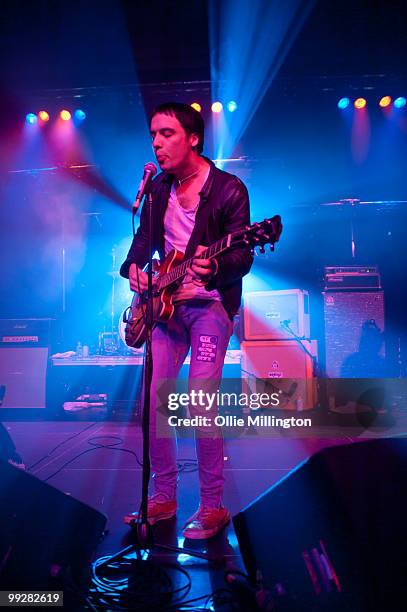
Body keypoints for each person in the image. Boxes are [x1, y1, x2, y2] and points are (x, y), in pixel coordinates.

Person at [120, 102, 253, 539]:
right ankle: (163, 497)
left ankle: (213, 506)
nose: (157, 143)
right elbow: (144, 241)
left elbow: (243, 253)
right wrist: (135, 269)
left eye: (166, 134)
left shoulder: (229, 189)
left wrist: (214, 267)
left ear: (192, 138)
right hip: (166, 303)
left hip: (210, 304)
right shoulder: (158, 190)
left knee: (198, 400)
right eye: (153, 135)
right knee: (155, 400)